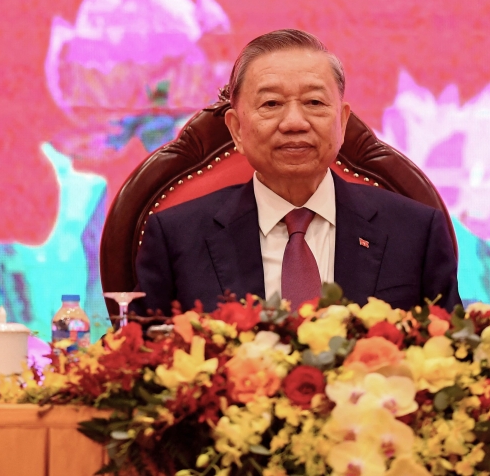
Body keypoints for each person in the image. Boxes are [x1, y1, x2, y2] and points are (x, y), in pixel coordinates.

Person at [134, 29, 460, 314]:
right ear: (236, 130)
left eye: (314, 103)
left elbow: (452, 360)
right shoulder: (177, 237)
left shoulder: (414, 231)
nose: (294, 123)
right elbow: (139, 362)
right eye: (271, 104)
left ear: (342, 122)